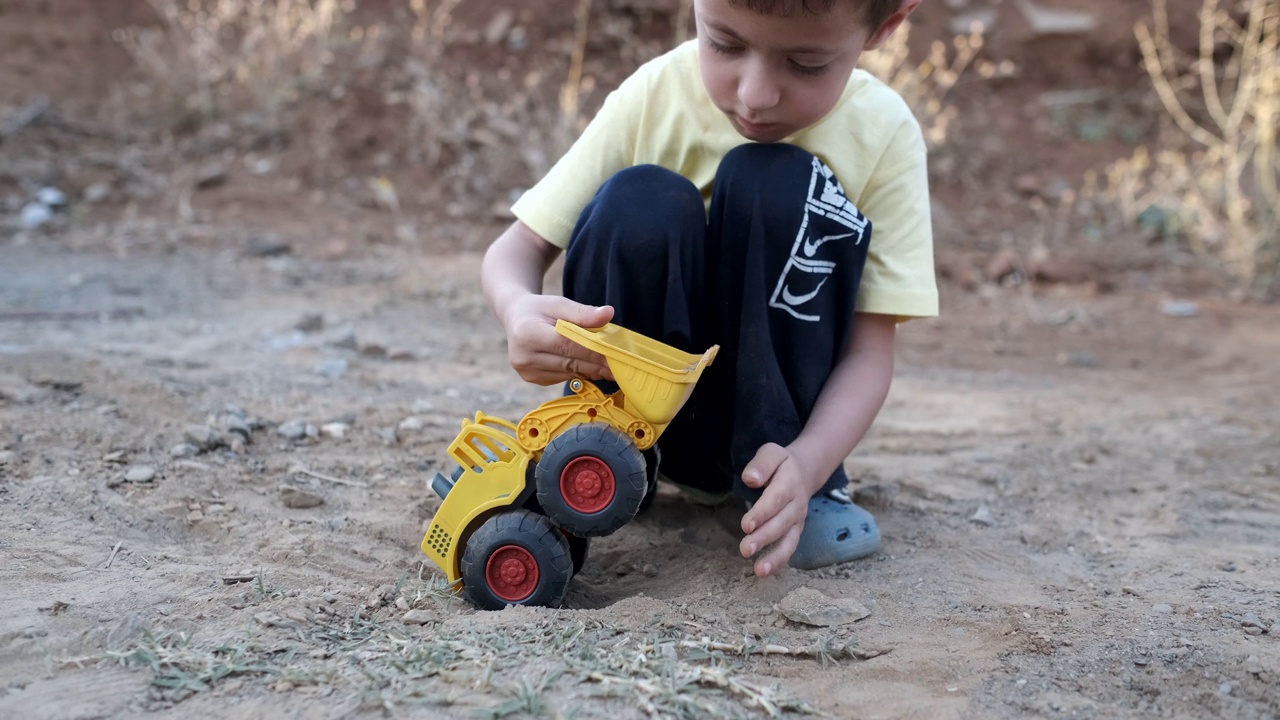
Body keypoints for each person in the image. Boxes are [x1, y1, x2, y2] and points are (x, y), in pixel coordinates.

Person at [480, 0, 938, 577]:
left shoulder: (884, 132)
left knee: (775, 180)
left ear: (885, 27)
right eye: (724, 44)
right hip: (639, 420)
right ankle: (616, 457)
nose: (755, 93)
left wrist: (811, 460)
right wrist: (517, 307)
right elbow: (515, 250)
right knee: (641, 197)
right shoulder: (654, 96)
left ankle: (793, 490)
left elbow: (872, 352)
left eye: (805, 63)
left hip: (784, 444)